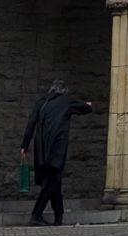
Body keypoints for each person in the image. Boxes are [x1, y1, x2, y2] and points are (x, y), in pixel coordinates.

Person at [21, 79, 92, 226]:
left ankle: (59, 216)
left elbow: (31, 123)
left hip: (41, 149)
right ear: (64, 91)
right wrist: (89, 104)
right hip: (56, 149)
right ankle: (36, 215)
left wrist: (24, 146)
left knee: (55, 181)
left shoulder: (42, 103)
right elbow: (85, 108)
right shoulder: (65, 101)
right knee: (51, 181)